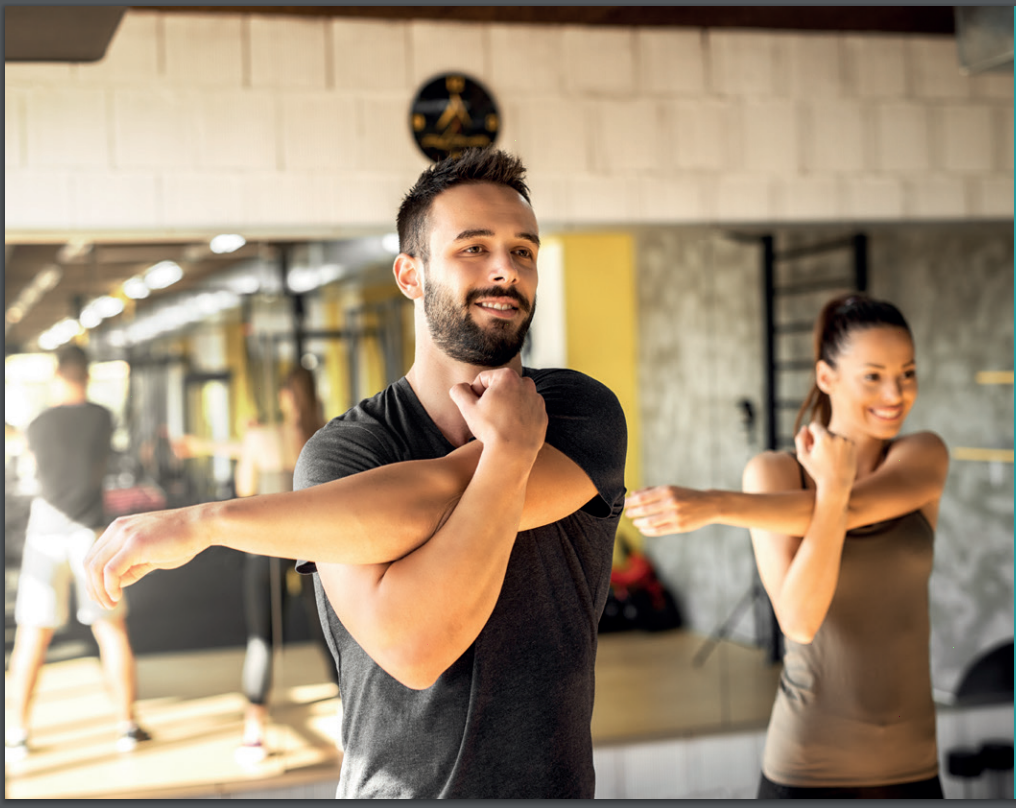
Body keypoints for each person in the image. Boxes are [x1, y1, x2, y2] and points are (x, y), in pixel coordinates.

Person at [83, 147, 628, 798]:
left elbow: (433, 493)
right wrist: (510, 455)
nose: (505, 270)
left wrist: (209, 523)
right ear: (409, 275)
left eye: (524, 252)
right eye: (473, 249)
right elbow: (415, 649)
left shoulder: (575, 411)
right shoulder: (345, 454)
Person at [625, 293, 949, 799]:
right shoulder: (775, 473)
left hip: (914, 768)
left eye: (907, 373)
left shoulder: (923, 455)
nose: (896, 392)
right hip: (808, 769)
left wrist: (714, 505)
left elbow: (856, 510)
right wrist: (832, 491)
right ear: (826, 377)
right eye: (874, 375)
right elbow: (799, 620)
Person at [176, 366, 339, 765]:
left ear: (285, 396)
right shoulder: (326, 433)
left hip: (267, 545)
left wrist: (248, 446)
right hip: (313, 544)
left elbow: (246, 488)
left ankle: (255, 731)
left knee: (262, 638)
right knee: (329, 634)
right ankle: (349, 717)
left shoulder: (261, 436)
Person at [6, 344, 151, 763]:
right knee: (111, 629)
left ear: (57, 376)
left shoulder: (38, 423)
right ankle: (126, 725)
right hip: (90, 533)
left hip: (45, 531)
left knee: (33, 633)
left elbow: (37, 463)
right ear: (87, 376)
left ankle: (17, 732)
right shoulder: (102, 418)